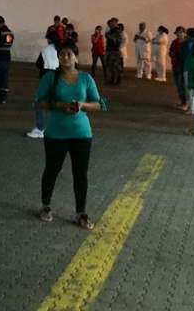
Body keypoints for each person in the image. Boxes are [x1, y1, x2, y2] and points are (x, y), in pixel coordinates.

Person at [34, 41, 104, 230]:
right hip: (56, 133)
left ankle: (81, 212)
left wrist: (82, 106)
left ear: (76, 57)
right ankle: (45, 205)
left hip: (81, 133)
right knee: (52, 169)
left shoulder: (86, 79)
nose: (65, 57)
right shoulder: (50, 77)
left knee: (80, 173)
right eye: (62, 54)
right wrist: (58, 106)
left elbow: (99, 104)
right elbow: (39, 101)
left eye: (69, 54)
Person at [26, 30, 60, 139]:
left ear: (49, 39)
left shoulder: (46, 50)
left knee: (39, 102)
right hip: (59, 77)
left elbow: (39, 64)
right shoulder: (61, 49)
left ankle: (40, 129)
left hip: (46, 77)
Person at [181, 28, 194, 114]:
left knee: (190, 89)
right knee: (190, 89)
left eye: (187, 34)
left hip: (191, 69)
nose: (186, 36)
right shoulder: (188, 44)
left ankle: (193, 109)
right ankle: (192, 107)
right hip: (188, 68)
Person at [170, 27, 187, 109]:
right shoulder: (174, 42)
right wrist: (172, 54)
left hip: (183, 67)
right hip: (175, 66)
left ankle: (185, 103)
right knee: (178, 85)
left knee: (182, 85)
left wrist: (178, 55)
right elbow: (170, 51)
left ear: (184, 33)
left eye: (181, 32)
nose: (179, 34)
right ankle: (182, 101)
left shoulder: (186, 43)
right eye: (177, 33)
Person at [104, 19, 122, 85]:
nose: (110, 25)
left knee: (115, 66)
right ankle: (111, 79)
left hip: (114, 51)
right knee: (109, 65)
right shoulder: (110, 30)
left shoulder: (117, 30)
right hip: (109, 50)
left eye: (112, 23)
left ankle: (116, 79)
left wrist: (109, 36)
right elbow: (107, 35)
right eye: (110, 23)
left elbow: (117, 40)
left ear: (115, 23)